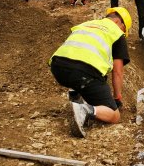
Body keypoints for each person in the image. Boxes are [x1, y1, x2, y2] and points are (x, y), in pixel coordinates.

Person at [49, 7, 132, 137]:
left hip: (58, 67)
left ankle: (75, 94)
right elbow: (117, 71)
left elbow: (76, 50)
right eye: (124, 29)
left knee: (90, 74)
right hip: (83, 73)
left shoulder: (86, 24)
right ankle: (84, 109)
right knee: (114, 115)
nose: (123, 32)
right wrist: (117, 98)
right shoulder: (116, 33)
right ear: (117, 22)